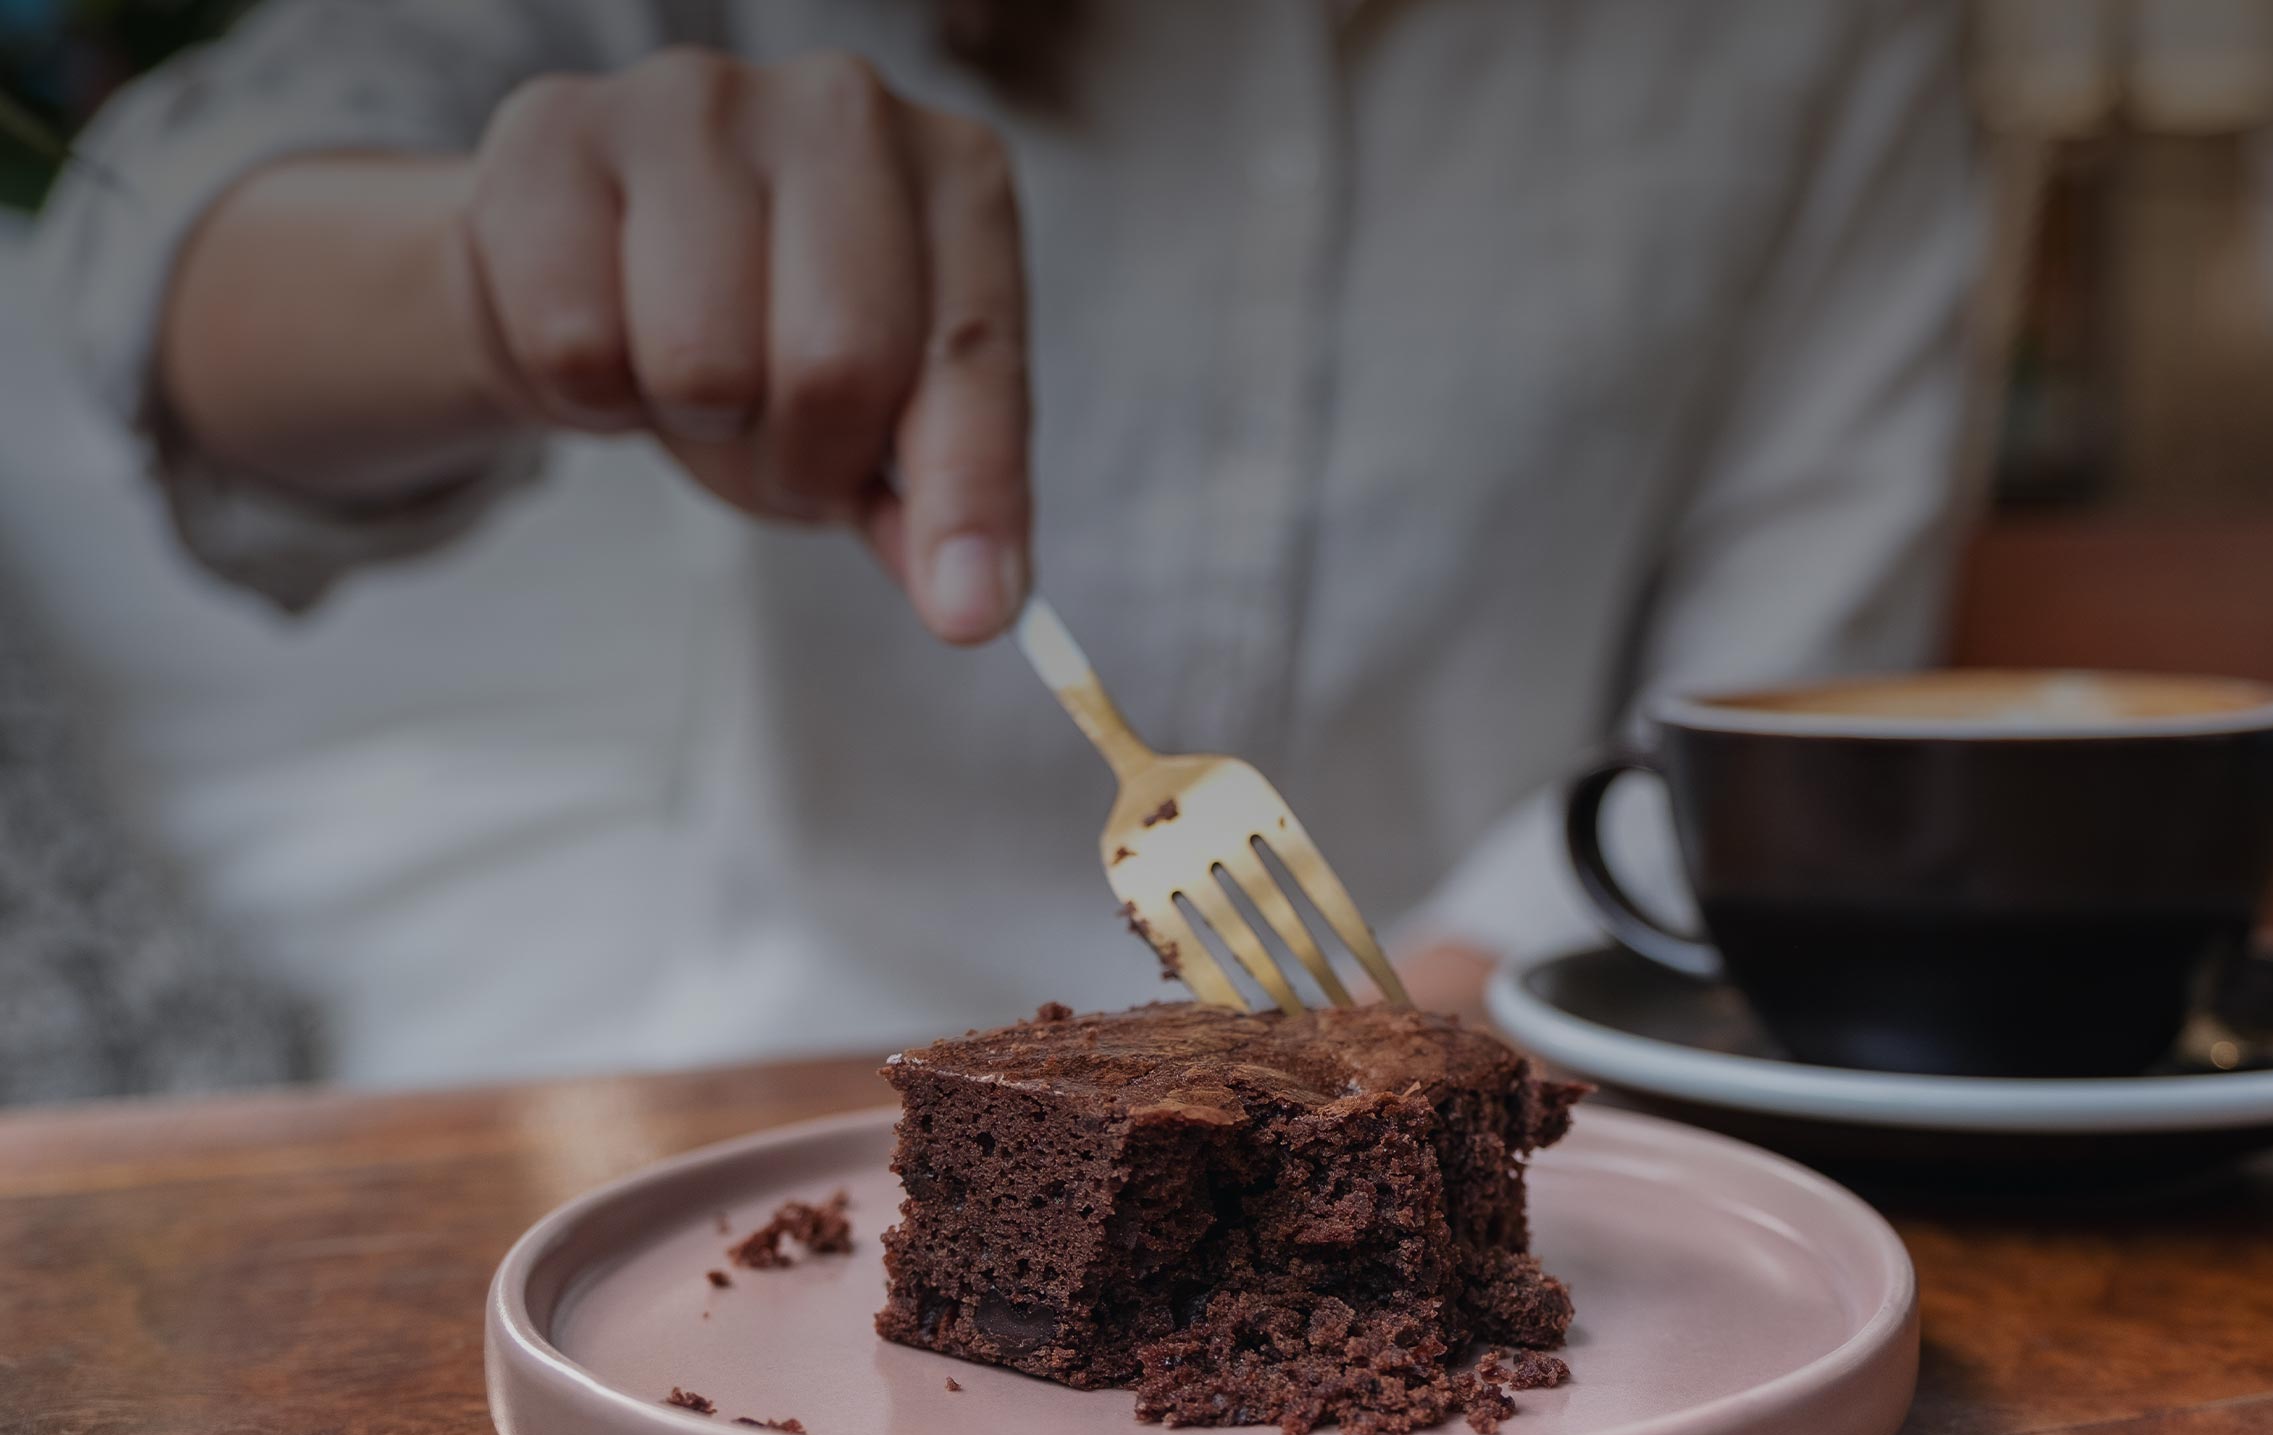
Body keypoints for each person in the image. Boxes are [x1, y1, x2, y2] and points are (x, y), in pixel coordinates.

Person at [34, 0, 1977, 1087]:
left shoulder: (1821, 47)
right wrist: (496, 264)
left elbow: (1759, 730)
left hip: (1485, 1069)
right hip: (797, 1084)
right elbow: (168, 260)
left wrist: (1402, 1061)